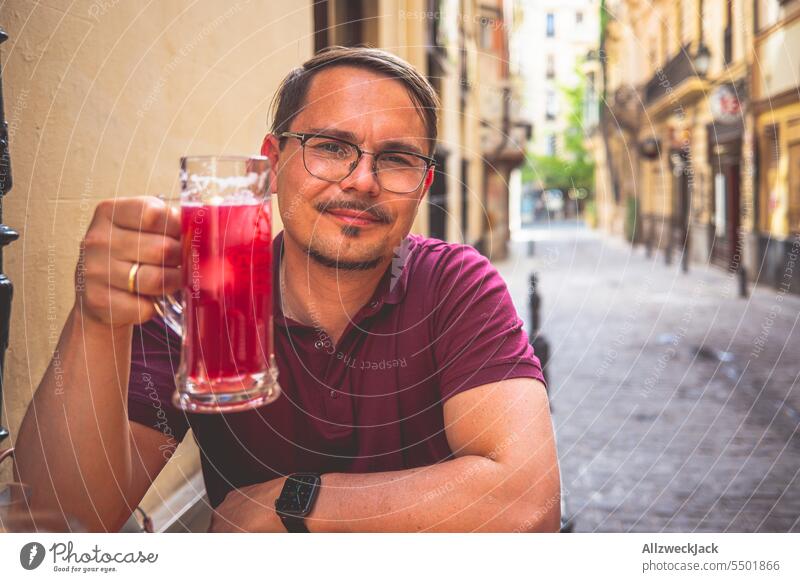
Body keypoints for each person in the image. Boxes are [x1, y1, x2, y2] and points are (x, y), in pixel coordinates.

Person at [15, 46, 560, 532]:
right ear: (272, 164)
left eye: (396, 159)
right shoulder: (208, 298)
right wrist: (96, 320)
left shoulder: (454, 285)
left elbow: (526, 504)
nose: (362, 180)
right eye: (329, 146)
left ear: (422, 186)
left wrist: (289, 502)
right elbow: (63, 524)